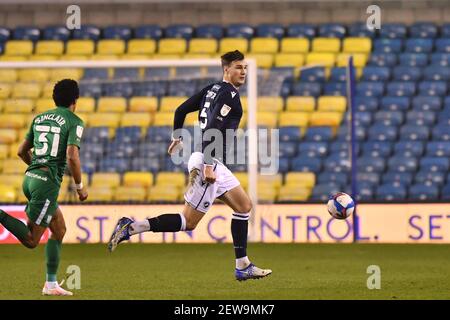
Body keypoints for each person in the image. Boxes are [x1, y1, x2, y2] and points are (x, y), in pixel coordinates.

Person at [108, 50, 271, 281]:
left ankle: (242, 265)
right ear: (226, 69)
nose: (243, 71)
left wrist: (177, 136)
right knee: (188, 222)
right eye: (238, 67)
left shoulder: (211, 89)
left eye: (244, 67)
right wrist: (207, 165)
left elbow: (180, 110)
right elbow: (214, 126)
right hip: (208, 160)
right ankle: (132, 227)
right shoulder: (230, 95)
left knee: (244, 206)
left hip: (214, 161)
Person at [0, 79, 88, 295]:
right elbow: (72, 156)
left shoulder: (40, 118)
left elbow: (21, 151)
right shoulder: (74, 121)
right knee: (31, 240)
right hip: (46, 184)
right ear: (75, 100)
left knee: (59, 229)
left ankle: (50, 285)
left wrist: (37, 169)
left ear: (54, 98)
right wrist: (79, 187)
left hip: (30, 178)